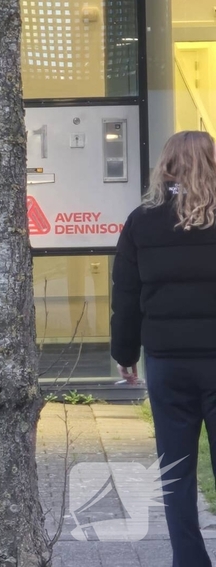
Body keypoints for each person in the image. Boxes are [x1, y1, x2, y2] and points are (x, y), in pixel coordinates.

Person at [111, 130, 216, 567]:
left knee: (175, 470)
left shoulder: (142, 220)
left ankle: (189, 561)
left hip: (167, 363)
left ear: (166, 165)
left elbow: (126, 294)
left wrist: (125, 353)